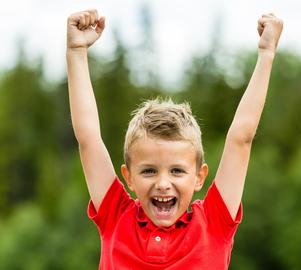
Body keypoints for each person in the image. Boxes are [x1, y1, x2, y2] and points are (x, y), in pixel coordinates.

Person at [66, 9, 283, 270]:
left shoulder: (214, 222)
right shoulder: (116, 216)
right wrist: (76, 51)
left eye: (177, 171)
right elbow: (88, 138)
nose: (163, 183)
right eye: (149, 171)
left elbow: (241, 138)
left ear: (199, 177)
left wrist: (266, 54)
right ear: (129, 177)